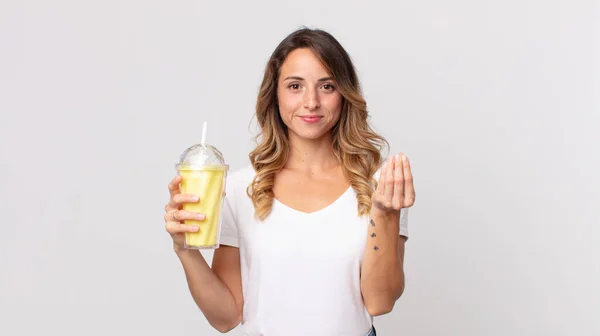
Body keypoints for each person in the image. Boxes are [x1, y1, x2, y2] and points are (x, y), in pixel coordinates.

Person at [163, 28, 415, 336]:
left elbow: (380, 301)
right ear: (275, 95)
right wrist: (185, 250)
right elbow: (225, 317)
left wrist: (385, 214)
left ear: (344, 94)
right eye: (295, 86)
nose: (311, 102)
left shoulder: (378, 187)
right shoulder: (242, 189)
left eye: (327, 86)